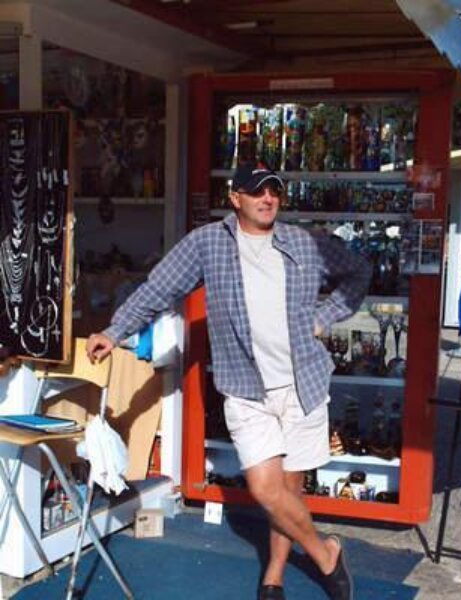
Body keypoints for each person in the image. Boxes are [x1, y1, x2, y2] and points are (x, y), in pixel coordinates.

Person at [86, 163, 371, 600]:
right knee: (266, 489)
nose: (268, 198)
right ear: (235, 198)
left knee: (289, 489)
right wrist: (114, 330)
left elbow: (358, 272)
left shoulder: (304, 241)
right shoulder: (207, 243)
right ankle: (326, 553)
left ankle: (274, 574)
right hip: (246, 388)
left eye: (274, 191)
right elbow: (158, 288)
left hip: (304, 383)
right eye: (257, 192)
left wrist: (324, 317)